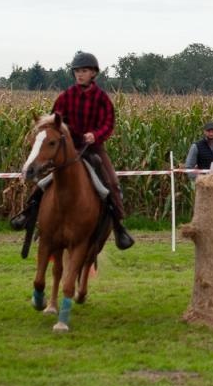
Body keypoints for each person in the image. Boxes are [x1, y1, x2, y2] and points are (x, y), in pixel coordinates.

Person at [10, 51, 135, 251]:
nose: (79, 74)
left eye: (84, 71)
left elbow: (108, 123)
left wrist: (95, 135)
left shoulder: (102, 99)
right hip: (67, 148)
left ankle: (119, 227)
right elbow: (54, 122)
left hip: (93, 148)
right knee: (45, 181)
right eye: (77, 71)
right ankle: (28, 212)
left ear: (93, 73)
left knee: (111, 182)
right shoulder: (65, 97)